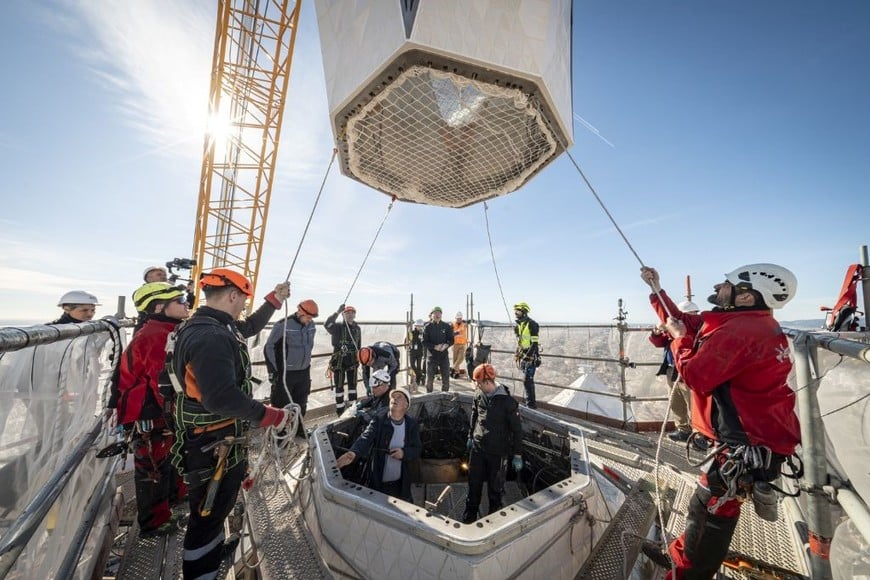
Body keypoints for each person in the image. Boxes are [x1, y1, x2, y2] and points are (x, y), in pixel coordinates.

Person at [639, 264, 801, 579]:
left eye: (728, 284)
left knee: (712, 511)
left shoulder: (739, 331)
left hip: (747, 443)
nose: (718, 285)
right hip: (755, 436)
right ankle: (678, 556)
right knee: (707, 505)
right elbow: (685, 322)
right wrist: (657, 289)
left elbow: (697, 376)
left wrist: (679, 341)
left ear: (745, 296)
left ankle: (688, 573)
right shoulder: (747, 323)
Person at [168, 268, 292, 579]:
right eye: (243, 300)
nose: (243, 307)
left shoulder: (205, 326)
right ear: (233, 295)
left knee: (213, 511)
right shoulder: (211, 337)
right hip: (213, 445)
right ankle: (200, 573)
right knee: (207, 514)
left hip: (211, 441)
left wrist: (274, 300)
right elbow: (221, 397)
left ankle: (208, 557)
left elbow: (247, 327)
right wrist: (270, 415)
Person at [115, 282, 189, 536]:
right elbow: (164, 383)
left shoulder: (167, 329)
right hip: (151, 415)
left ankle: (173, 500)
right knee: (153, 469)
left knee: (167, 460)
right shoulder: (156, 335)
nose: (186, 303)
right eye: (179, 300)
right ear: (159, 307)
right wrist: (182, 415)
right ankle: (153, 523)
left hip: (159, 412)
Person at [335, 387, 422, 502]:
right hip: (378, 481)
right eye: (393, 397)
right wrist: (353, 453)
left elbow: (417, 449)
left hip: (401, 483)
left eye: (399, 397)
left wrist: (404, 453)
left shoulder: (411, 425)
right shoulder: (379, 420)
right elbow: (366, 436)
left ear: (406, 405)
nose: (394, 399)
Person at [462, 363, 523, 524]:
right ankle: (469, 518)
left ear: (487, 382)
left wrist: (517, 454)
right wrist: (470, 436)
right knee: (473, 485)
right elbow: (475, 416)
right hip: (478, 449)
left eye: (479, 383)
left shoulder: (508, 402)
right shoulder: (479, 395)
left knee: (495, 490)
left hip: (497, 453)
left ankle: (493, 521)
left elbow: (517, 430)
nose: (477, 386)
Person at [650, 300, 700, 443]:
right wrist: (657, 330)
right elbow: (658, 342)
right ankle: (684, 430)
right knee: (676, 402)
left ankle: (699, 435)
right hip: (673, 370)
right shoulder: (674, 331)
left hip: (688, 371)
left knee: (694, 405)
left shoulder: (696, 330)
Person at [264, 299, 319, 415]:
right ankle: (281, 433)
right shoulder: (283, 325)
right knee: (282, 406)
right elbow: (269, 348)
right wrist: (274, 371)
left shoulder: (311, 325)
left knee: (301, 404)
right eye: (308, 317)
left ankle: (299, 431)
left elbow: (309, 345)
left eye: (312, 318)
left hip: (303, 373)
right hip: (286, 374)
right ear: (300, 312)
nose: (310, 321)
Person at [325, 304, 361, 416]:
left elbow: (358, 345)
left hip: (352, 360)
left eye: (352, 313)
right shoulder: (337, 327)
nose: (350, 315)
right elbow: (327, 324)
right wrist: (336, 312)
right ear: (343, 315)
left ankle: (353, 408)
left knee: (352, 386)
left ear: (354, 315)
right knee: (339, 386)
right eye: (347, 313)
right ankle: (340, 411)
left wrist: (359, 358)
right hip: (339, 361)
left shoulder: (357, 328)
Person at [513, 302, 540, 409]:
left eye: (518, 311)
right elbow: (521, 342)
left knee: (527, 380)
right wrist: (518, 352)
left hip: (531, 355)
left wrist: (527, 357)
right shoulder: (520, 325)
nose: (515, 313)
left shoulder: (532, 324)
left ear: (524, 311)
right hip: (524, 353)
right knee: (527, 380)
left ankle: (531, 405)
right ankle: (530, 403)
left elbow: (534, 343)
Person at [423, 306, 454, 392]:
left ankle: (445, 398)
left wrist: (446, 345)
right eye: (435, 313)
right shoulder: (427, 327)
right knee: (429, 380)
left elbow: (451, 339)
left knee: (446, 379)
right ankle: (428, 397)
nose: (437, 315)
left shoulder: (446, 326)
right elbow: (424, 342)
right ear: (431, 315)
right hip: (431, 357)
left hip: (443, 356)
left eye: (439, 313)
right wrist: (434, 347)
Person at [408, 319, 426, 389]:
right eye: (418, 325)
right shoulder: (411, 332)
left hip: (420, 352)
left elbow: (424, 342)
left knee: (418, 366)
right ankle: (421, 376)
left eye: (421, 326)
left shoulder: (423, 333)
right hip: (412, 352)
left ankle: (418, 380)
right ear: (415, 326)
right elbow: (409, 339)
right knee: (412, 365)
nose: (419, 327)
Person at [450, 312, 469, 379]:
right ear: (456, 318)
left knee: (461, 358)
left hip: (462, 344)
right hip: (455, 344)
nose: (459, 319)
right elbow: (451, 332)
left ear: (461, 318)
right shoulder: (453, 324)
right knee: (455, 359)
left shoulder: (464, 324)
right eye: (458, 318)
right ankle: (456, 373)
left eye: (460, 318)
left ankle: (453, 369)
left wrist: (456, 332)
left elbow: (461, 330)